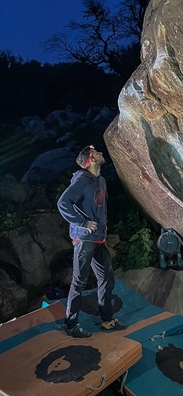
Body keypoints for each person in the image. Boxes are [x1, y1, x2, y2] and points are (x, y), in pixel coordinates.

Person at [57, 144, 126, 338]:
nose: (100, 152)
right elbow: (63, 203)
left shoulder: (101, 180)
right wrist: (82, 222)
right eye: (96, 152)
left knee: (107, 279)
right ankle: (71, 325)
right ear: (91, 160)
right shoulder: (82, 180)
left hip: (99, 239)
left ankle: (106, 319)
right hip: (84, 240)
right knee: (79, 282)